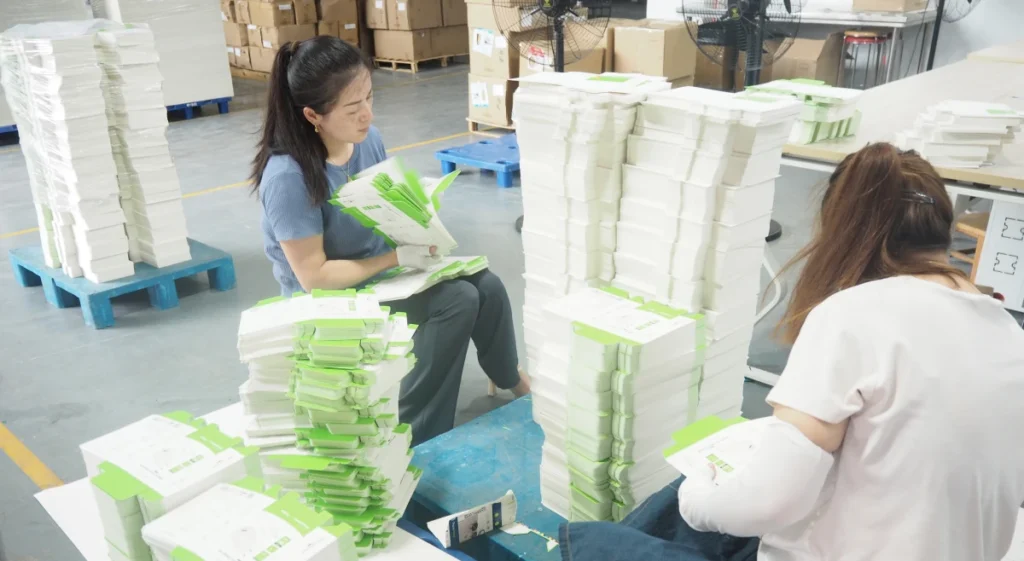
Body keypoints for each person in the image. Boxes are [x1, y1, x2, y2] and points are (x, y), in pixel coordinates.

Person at [559, 143, 1024, 561]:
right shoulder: (1008, 332)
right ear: (943, 228)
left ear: (841, 231)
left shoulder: (854, 315)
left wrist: (697, 500)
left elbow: (768, 503)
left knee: (600, 540)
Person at [250, 36, 529, 446]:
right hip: (329, 298)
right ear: (313, 115)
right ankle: (419, 433)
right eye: (352, 108)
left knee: (485, 285)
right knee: (456, 302)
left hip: (379, 276)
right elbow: (314, 278)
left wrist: (420, 225)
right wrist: (395, 258)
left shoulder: (368, 140)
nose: (367, 114)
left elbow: (384, 206)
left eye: (369, 98)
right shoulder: (288, 178)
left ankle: (510, 378)